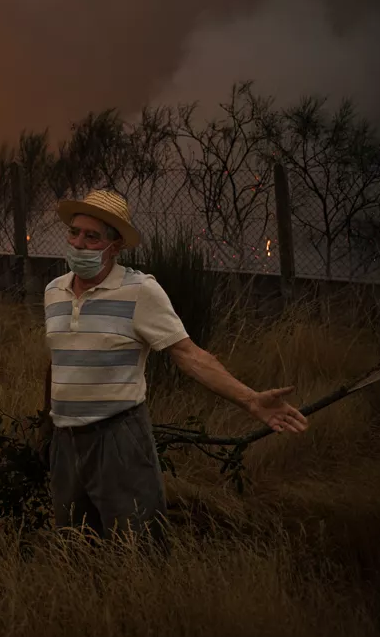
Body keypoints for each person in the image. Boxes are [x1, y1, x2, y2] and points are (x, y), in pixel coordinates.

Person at [39, 189, 307, 536]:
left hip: (118, 438)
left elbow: (190, 356)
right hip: (65, 440)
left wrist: (251, 400)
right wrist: (46, 427)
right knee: (73, 541)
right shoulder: (53, 291)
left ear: (115, 246)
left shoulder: (140, 292)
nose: (78, 244)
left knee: (137, 541)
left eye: (92, 237)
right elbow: (58, 361)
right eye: (74, 232)